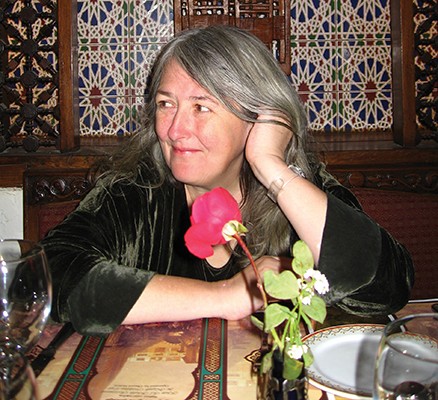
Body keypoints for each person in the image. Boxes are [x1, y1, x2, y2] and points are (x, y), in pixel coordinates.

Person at [41, 25, 414, 336]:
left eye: (201, 107)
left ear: (259, 118)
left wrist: (271, 166)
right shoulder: (135, 193)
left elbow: (384, 289)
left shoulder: (298, 193)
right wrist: (226, 296)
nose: (174, 130)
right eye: (165, 104)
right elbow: (49, 276)